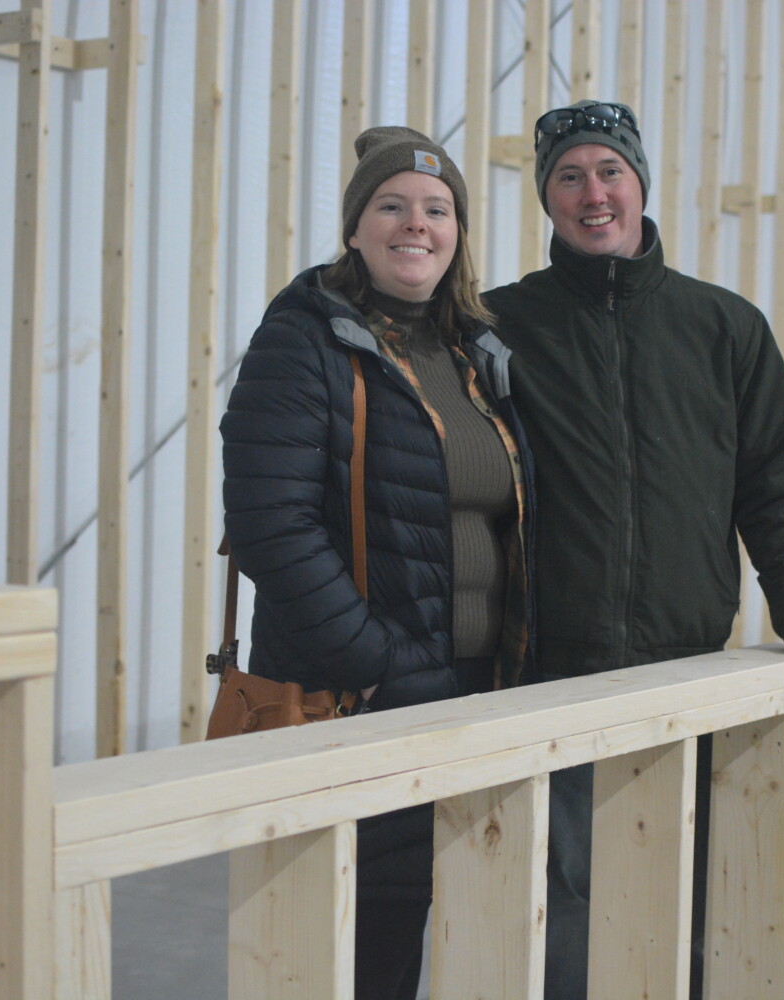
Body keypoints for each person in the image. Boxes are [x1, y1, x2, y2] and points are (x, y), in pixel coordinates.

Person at [483, 100, 784, 999]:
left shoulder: (723, 327)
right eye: (568, 177)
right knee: (568, 910)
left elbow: (774, 485)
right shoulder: (499, 325)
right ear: (548, 200)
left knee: (693, 899)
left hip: (690, 669)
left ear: (641, 184)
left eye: (608, 172)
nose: (592, 193)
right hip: (554, 673)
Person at [221, 126, 533, 1000]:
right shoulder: (304, 340)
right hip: (359, 700)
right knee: (360, 957)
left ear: (458, 233)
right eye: (390, 205)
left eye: (438, 209)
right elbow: (269, 528)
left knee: (466, 941)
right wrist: (383, 666)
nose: (416, 224)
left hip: (477, 696)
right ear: (356, 227)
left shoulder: (475, 353)